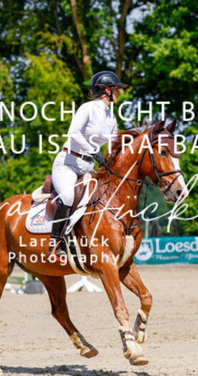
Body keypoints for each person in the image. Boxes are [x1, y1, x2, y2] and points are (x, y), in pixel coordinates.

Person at [49, 70, 127, 260]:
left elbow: (115, 143)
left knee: (102, 199)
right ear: (107, 90)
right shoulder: (88, 108)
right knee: (68, 197)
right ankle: (55, 243)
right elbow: (73, 132)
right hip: (68, 163)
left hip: (88, 167)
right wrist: (93, 150)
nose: (119, 92)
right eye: (116, 89)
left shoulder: (111, 117)